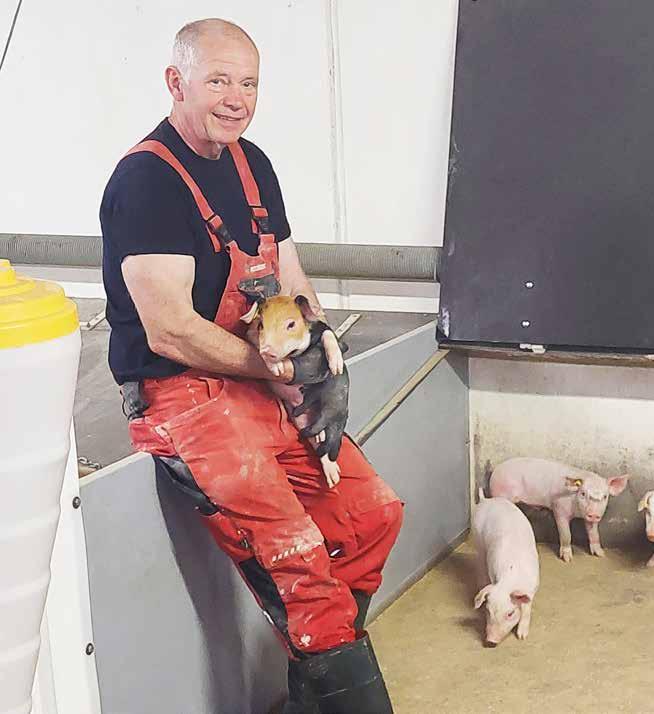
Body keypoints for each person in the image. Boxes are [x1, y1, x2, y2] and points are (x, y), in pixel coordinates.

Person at [99, 17, 402, 713]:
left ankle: (312, 687)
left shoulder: (251, 163)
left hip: (257, 382)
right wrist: (279, 372)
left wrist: (320, 352)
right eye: (218, 81)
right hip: (181, 399)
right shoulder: (146, 182)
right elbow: (171, 332)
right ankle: (332, 657)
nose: (236, 99)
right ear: (176, 82)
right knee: (299, 560)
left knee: (371, 516)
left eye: (249, 83)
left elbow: (289, 278)